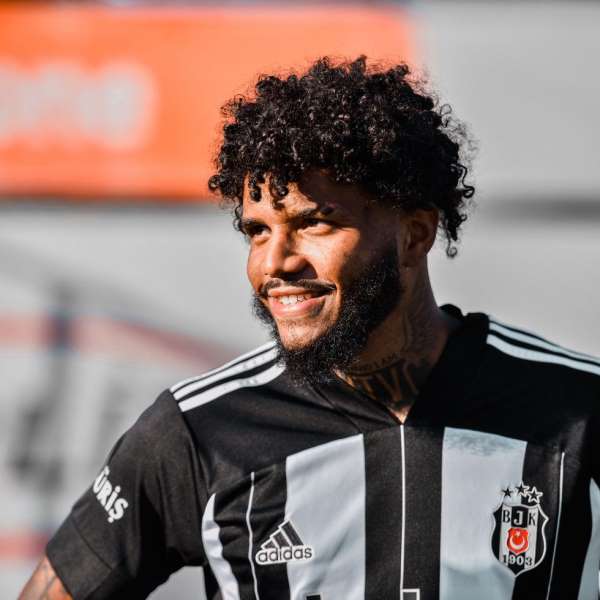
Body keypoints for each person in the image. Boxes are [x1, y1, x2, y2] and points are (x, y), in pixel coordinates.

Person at [19, 56, 600, 600]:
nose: (275, 263)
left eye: (314, 223)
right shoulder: (198, 430)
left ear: (416, 234)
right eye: (258, 231)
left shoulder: (579, 409)